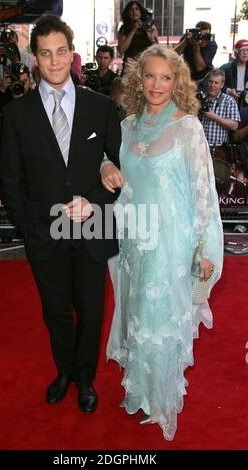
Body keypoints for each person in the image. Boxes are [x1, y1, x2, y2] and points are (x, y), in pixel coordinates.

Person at [0, 14, 121, 414]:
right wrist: (29, 229)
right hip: (44, 236)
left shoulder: (101, 108)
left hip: (93, 231)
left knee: (90, 311)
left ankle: (85, 378)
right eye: (45, 53)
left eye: (61, 51)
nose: (54, 61)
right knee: (56, 312)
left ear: (72, 53)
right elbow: (10, 181)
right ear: (35, 58)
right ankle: (64, 371)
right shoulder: (16, 115)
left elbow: (121, 174)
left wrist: (96, 203)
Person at [101, 45, 223, 441]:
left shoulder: (187, 127)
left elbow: (204, 192)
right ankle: (139, 391)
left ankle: (161, 399)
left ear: (177, 83)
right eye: (150, 76)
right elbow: (113, 168)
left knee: (160, 319)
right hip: (134, 238)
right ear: (139, 79)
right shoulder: (127, 125)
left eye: (165, 77)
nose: (156, 84)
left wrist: (204, 249)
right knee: (136, 312)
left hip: (172, 242)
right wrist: (105, 166)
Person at [199, 69, 240, 146]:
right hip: (200, 147)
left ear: (222, 85)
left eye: (216, 83)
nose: (212, 85)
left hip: (219, 150)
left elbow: (235, 126)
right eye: (210, 81)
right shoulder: (200, 98)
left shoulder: (229, 101)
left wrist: (214, 117)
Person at [174, 21, 217, 92]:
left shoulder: (211, 44)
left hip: (205, 76)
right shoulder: (188, 38)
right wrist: (185, 41)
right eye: (201, 36)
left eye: (206, 36)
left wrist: (196, 47)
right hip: (188, 75)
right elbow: (173, 54)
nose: (203, 40)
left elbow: (200, 68)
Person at [118, 1, 158, 72]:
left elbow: (157, 48)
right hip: (130, 67)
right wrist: (133, 30)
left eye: (137, 9)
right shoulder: (124, 29)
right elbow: (121, 50)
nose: (134, 12)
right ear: (128, 13)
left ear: (141, 12)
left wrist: (150, 38)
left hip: (146, 65)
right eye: (131, 9)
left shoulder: (150, 26)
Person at [220, 39, 248, 108]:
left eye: (247, 50)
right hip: (229, 103)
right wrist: (228, 90)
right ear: (236, 52)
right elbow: (215, 85)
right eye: (242, 50)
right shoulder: (225, 68)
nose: (245, 53)